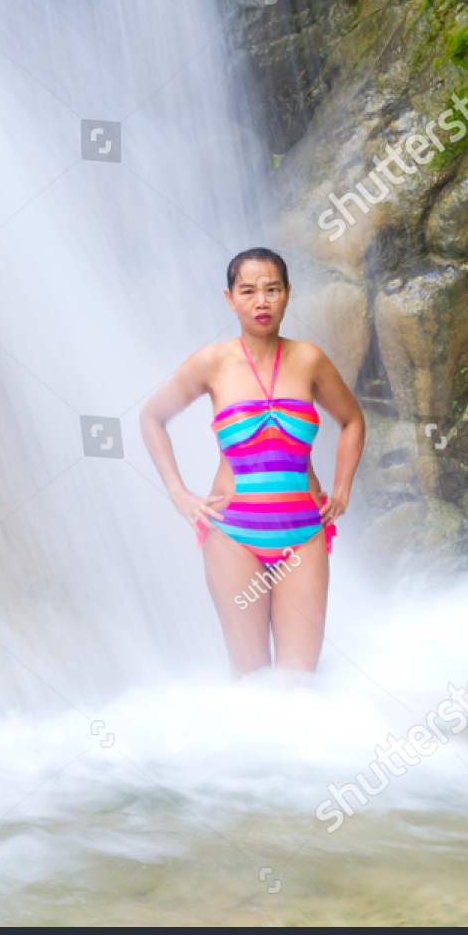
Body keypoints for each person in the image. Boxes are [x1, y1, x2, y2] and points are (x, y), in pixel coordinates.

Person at [140, 248, 365, 675]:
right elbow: (152, 417)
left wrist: (342, 490)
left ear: (287, 294)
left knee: (298, 681)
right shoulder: (211, 363)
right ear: (230, 299)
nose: (261, 301)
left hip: (303, 537)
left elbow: (352, 421)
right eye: (248, 291)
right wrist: (177, 492)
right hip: (233, 538)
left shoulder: (310, 360)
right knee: (253, 681)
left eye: (271, 290)